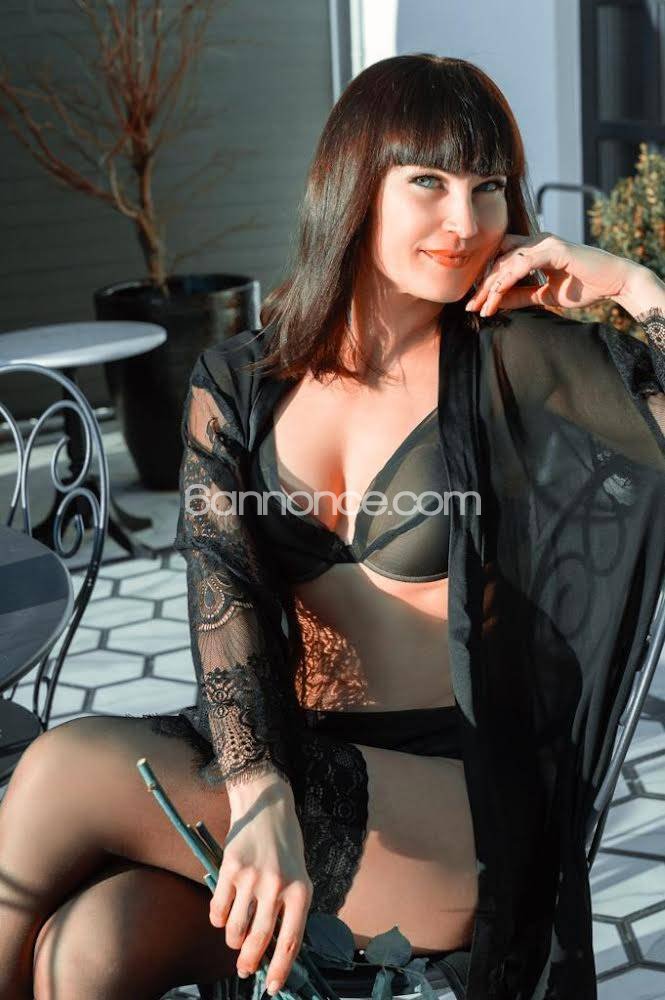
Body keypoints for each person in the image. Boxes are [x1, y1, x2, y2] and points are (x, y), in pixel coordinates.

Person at [1, 53, 664, 1000]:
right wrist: (259, 784)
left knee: (67, 768)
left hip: (455, 808)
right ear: (355, 183)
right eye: (428, 182)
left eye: (487, 187)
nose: (465, 221)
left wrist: (631, 286)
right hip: (281, 761)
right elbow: (223, 596)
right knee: (90, 948)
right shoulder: (240, 382)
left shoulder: (520, 361)